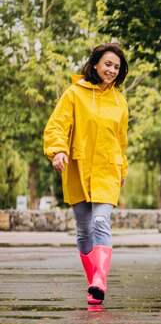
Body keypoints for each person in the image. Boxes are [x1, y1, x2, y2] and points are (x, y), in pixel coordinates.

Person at [43, 43, 129, 305]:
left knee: (100, 222)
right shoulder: (74, 93)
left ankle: (99, 281)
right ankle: (95, 281)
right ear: (94, 64)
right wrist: (57, 151)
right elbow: (57, 125)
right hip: (77, 168)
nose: (112, 70)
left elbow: (122, 141)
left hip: (108, 170)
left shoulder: (120, 102)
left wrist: (122, 169)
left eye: (116, 66)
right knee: (83, 230)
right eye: (107, 64)